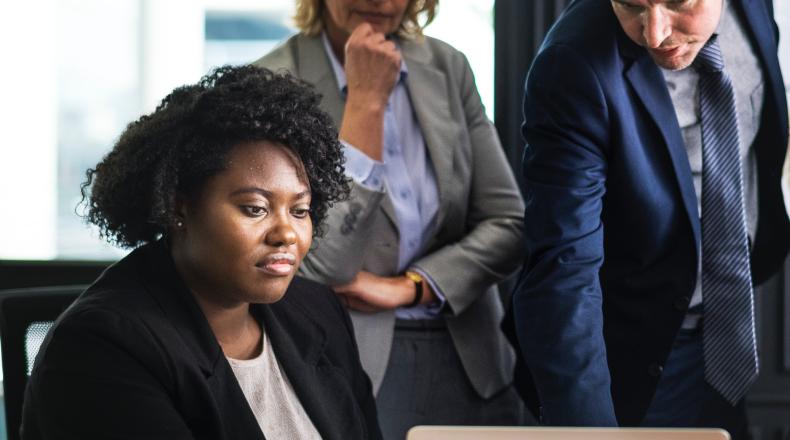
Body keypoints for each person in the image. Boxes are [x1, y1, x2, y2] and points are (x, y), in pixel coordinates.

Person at [21, 65, 382, 440]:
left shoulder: (317, 311)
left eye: (300, 210)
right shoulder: (101, 346)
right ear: (179, 209)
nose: (286, 233)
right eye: (255, 208)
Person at [512, 0, 789, 435]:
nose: (655, 33)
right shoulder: (572, 64)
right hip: (630, 360)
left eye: (678, 2)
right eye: (632, 5)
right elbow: (563, 269)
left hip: (731, 329)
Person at [255, 0, 526, 438]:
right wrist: (365, 102)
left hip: (475, 357)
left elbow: (509, 224)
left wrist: (413, 287)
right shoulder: (270, 86)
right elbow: (325, 267)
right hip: (353, 360)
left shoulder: (447, 65)